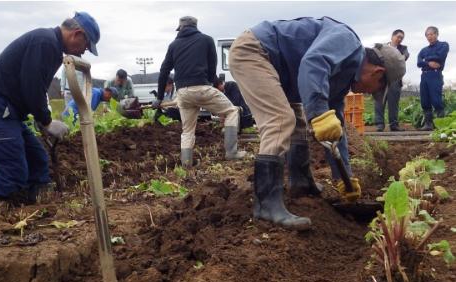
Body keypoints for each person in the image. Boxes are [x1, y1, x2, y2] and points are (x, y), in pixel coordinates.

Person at [229, 17, 405, 230]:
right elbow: (313, 62)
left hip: (280, 68)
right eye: (375, 89)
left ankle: (301, 182)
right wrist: (319, 113)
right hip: (255, 52)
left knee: (298, 122)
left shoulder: (344, 76)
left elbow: (335, 124)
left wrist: (344, 177)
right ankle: (266, 205)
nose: (369, 94)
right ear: (378, 72)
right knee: (280, 120)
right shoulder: (347, 41)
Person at [0, 11, 100, 205]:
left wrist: (40, 119)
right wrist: (47, 121)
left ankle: (37, 206)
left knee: (38, 161)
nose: (83, 51)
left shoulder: (51, 46)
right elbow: (32, 86)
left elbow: (34, 88)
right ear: (77, 34)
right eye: (86, 45)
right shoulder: (45, 42)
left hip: (10, 111)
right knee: (13, 174)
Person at [153, 16, 246, 167]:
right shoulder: (207, 40)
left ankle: (186, 163)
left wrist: (159, 97)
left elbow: (164, 71)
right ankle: (232, 152)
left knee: (187, 129)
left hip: (183, 93)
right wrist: (214, 83)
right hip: (202, 88)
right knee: (232, 111)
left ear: (181, 28)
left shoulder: (173, 45)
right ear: (195, 27)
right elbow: (211, 70)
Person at [374, 29, 410, 132]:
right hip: (382, 79)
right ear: (392, 36)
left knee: (393, 103)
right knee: (379, 101)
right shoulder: (382, 47)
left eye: (401, 38)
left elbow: (405, 56)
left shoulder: (403, 48)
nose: (399, 39)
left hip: (395, 79)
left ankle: (394, 125)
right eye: (398, 36)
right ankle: (380, 125)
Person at [417, 26, 450, 131]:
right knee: (425, 101)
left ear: (436, 34)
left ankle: (441, 125)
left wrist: (425, 60)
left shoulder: (443, 45)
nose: (429, 36)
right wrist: (428, 62)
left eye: (431, 34)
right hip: (424, 76)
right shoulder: (423, 50)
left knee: (436, 100)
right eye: (427, 35)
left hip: (435, 75)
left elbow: (439, 57)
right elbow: (418, 62)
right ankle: (428, 124)